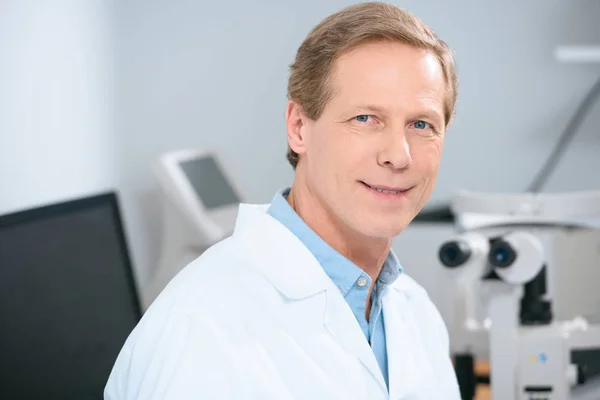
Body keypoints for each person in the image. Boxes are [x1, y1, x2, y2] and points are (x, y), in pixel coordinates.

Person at [105, 2, 460, 399]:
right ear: (298, 128)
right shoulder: (202, 328)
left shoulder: (415, 311)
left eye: (421, 124)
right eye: (365, 119)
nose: (398, 155)